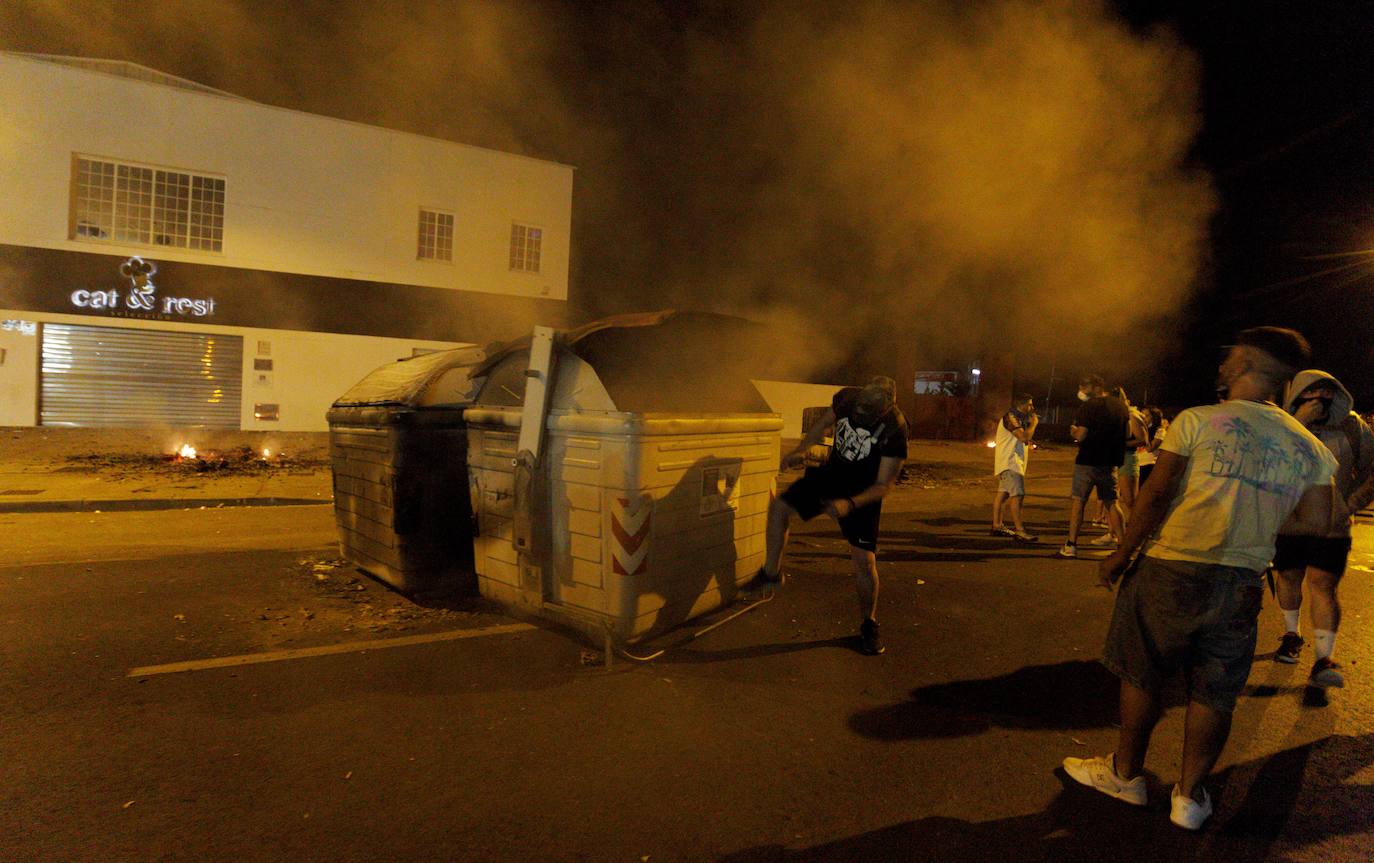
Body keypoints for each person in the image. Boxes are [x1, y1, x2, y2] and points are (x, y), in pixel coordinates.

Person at [1063, 327, 1336, 831]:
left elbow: (1157, 493)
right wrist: (1259, 518)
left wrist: (1122, 553)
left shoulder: (1199, 421)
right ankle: (1189, 798)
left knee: (1142, 671)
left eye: (1231, 353)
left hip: (1171, 564)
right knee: (1215, 689)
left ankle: (1126, 774)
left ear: (1247, 362)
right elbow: (1318, 521)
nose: (1225, 361)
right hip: (1242, 578)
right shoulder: (1308, 447)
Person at [750, 375, 909, 655]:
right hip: (832, 476)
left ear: (883, 410)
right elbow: (822, 425)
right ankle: (771, 574)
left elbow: (885, 485)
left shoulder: (895, 428)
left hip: (863, 489)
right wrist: (802, 449)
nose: (859, 417)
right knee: (780, 508)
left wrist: (851, 503)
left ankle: (869, 624)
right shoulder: (848, 398)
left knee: (863, 560)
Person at [1272, 370, 1374, 688]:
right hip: (1288, 522)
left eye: (1328, 393)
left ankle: (1323, 658)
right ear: (1298, 394)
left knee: (1323, 585)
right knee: (1288, 578)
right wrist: (1298, 423)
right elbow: (1269, 462)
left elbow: (1371, 470)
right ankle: (1292, 634)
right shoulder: (1282, 425)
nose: (1321, 400)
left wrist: (1350, 503)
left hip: (1331, 526)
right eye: (1312, 393)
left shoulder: (1352, 425)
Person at [1056, 375, 1129, 558]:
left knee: (1079, 501)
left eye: (1084, 387)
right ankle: (1122, 544)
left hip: (1088, 461)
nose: (1081, 390)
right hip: (1110, 462)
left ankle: (1071, 544)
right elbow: (1127, 433)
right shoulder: (1121, 406)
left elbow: (1080, 436)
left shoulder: (1088, 407)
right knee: (1112, 502)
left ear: (1096, 388)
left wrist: (1074, 431)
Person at [991, 393, 1039, 542]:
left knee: (1003, 494)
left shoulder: (1018, 418)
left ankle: (997, 525)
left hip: (1011, 461)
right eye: (1029, 404)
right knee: (1017, 495)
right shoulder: (1010, 417)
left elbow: (1023, 439)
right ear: (1021, 404)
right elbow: (1023, 437)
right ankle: (1020, 531)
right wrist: (1034, 423)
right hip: (1010, 462)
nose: (1032, 407)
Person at [1135, 407, 1167, 488]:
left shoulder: (1160, 431)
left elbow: (1150, 448)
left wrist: (1143, 431)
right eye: (1142, 415)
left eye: (1147, 415)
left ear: (1154, 417)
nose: (1144, 418)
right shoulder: (1138, 429)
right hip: (1137, 464)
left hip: (1149, 465)